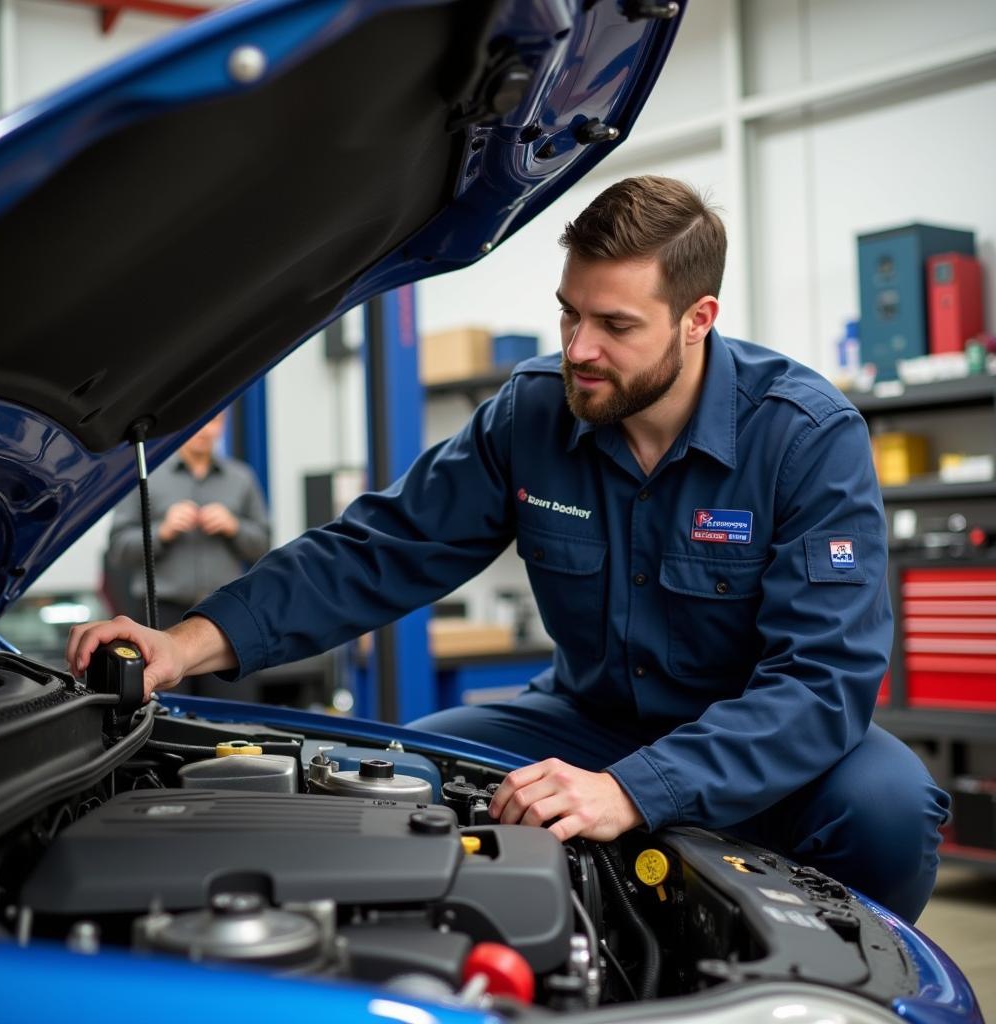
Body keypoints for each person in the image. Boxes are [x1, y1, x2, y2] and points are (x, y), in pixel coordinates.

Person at [69, 176, 948, 922]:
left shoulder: (805, 437)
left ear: (698, 319)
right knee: (394, 779)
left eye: (614, 325)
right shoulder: (534, 414)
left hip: (763, 732)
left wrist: (637, 790)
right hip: (588, 716)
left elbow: (820, 684)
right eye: (568, 315)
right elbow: (379, 549)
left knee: (891, 810)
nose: (579, 350)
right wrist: (183, 643)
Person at [103, 411, 271, 695]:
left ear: (224, 425)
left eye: (215, 421)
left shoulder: (241, 479)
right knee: (165, 712)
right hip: (162, 618)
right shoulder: (148, 476)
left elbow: (264, 546)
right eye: (199, 421)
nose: (205, 430)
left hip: (225, 618)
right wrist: (163, 531)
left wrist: (234, 527)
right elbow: (119, 549)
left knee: (230, 716)